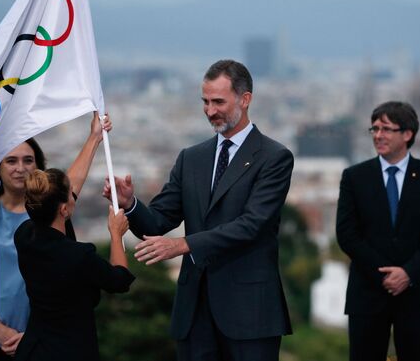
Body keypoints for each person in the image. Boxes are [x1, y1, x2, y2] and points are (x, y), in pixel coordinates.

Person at [104, 59, 294, 361]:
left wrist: (184, 244)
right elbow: (157, 222)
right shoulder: (191, 158)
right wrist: (131, 204)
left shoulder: (274, 158)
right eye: (205, 102)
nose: (210, 111)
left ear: (245, 100)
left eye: (218, 101)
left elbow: (252, 224)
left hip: (250, 314)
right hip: (194, 314)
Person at [0, 112, 111, 361]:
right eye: (11, 161)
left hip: (43, 341)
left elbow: (72, 182)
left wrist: (94, 137)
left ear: (39, 168)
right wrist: (0, 333)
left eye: (28, 161)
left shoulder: (50, 208)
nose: (20, 169)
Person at [336, 101, 420, 361]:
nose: (378, 135)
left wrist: (408, 273)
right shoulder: (355, 176)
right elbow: (346, 234)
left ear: (407, 134)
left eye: (387, 129)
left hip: (419, 293)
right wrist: (386, 273)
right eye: (374, 129)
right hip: (367, 294)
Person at [13, 169, 133, 361]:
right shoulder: (80, 256)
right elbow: (120, 280)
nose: (74, 195)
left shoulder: (23, 235)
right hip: (71, 349)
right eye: (71, 193)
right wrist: (116, 235)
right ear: (63, 209)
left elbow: (55, 230)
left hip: (34, 347)